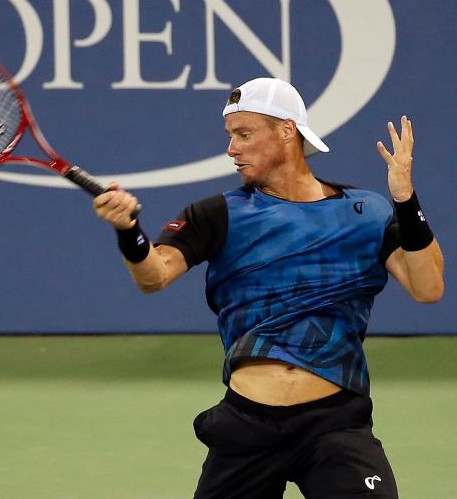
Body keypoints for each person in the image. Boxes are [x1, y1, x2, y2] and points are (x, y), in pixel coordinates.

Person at [92, 78, 444, 499]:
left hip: (334, 425)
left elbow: (428, 287)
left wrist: (405, 200)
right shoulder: (219, 214)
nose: (231, 149)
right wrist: (129, 230)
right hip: (247, 427)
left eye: (244, 134)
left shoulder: (365, 212)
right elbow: (155, 275)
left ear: (286, 131)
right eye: (230, 136)